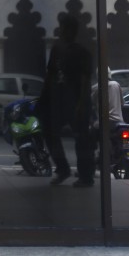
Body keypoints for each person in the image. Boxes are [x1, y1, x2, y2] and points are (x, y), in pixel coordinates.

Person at [40, 15, 95, 188]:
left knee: (81, 138)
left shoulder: (81, 52)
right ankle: (64, 169)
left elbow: (85, 80)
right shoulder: (57, 49)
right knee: (51, 133)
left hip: (75, 101)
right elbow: (51, 75)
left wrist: (80, 104)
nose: (62, 31)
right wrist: (45, 98)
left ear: (72, 30)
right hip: (59, 100)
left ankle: (85, 176)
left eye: (64, 28)